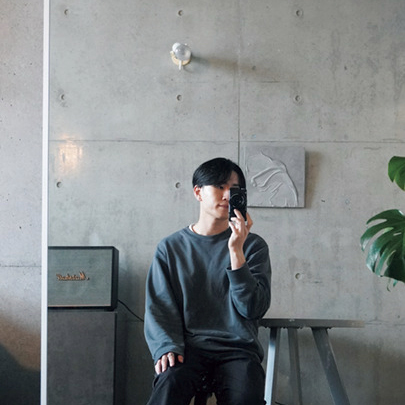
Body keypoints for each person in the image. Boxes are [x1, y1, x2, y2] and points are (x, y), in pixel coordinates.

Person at [144, 157, 271, 405]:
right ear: (198, 192)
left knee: (246, 395)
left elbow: (253, 309)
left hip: (238, 351)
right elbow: (159, 307)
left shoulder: (253, 246)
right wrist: (166, 347)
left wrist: (236, 251)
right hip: (188, 348)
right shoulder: (170, 248)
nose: (227, 195)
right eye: (220, 186)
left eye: (234, 189)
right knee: (169, 384)